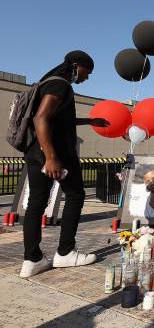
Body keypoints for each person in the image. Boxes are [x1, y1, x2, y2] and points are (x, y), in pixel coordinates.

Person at [20, 51, 109, 278]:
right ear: (77, 66)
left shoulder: (46, 83)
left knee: (36, 203)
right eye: (87, 72)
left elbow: (58, 119)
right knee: (75, 195)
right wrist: (51, 157)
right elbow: (41, 118)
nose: (87, 78)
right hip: (56, 153)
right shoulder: (61, 85)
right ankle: (65, 252)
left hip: (34, 152)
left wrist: (89, 121)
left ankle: (32, 260)